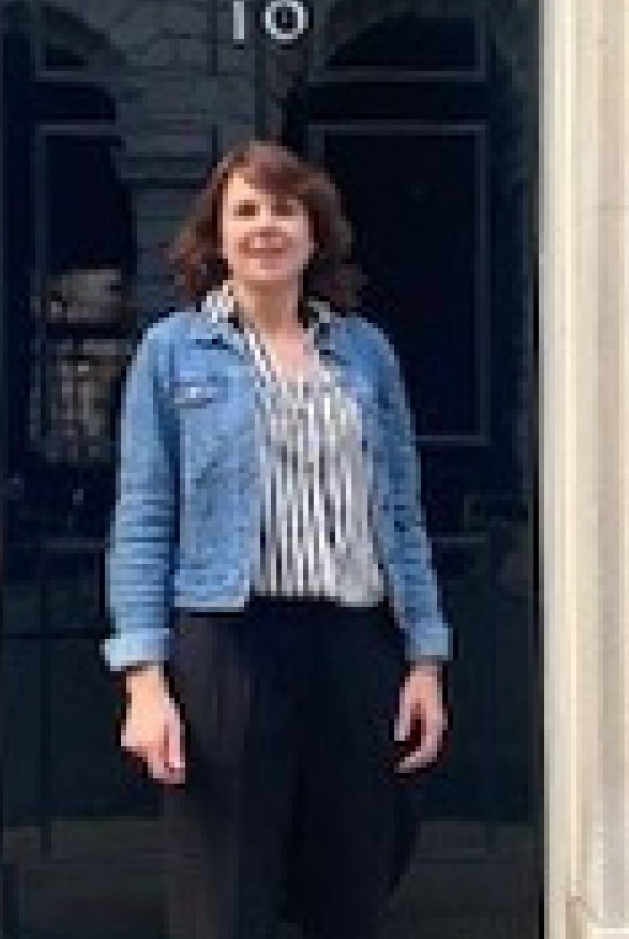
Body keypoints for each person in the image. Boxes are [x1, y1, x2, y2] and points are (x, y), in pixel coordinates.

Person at [102, 140, 451, 939]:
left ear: (314, 230)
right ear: (217, 235)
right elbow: (145, 519)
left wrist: (425, 659)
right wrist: (143, 683)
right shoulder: (172, 352)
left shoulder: (364, 353)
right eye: (246, 211)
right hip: (228, 641)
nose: (267, 227)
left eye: (284, 209)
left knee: (351, 884)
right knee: (224, 898)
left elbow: (401, 512)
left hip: (355, 643)